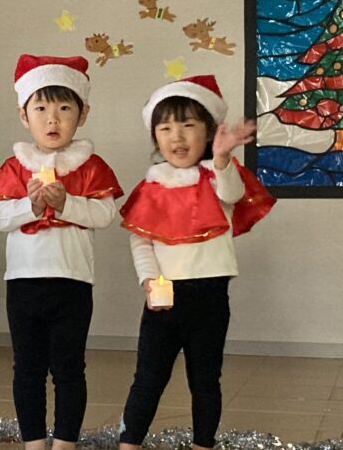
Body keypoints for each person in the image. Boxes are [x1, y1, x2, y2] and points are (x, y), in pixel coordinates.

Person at [118, 75, 275, 449]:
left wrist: (222, 158)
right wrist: (149, 281)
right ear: (155, 136)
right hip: (163, 296)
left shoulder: (218, 176)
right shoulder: (153, 185)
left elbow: (232, 194)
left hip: (209, 295)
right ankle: (128, 443)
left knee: (205, 380)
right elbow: (141, 241)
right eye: (166, 128)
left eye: (188, 125)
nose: (177, 136)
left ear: (208, 132)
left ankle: (202, 443)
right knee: (148, 378)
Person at [0, 54, 123, 450]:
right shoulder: (14, 167)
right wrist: (33, 205)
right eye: (41, 109)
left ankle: (65, 442)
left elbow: (105, 213)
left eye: (64, 109)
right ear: (23, 116)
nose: (52, 119)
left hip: (72, 282)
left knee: (69, 368)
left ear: (83, 114)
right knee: (27, 368)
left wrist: (65, 204)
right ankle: (34, 442)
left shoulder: (91, 166)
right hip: (23, 283)